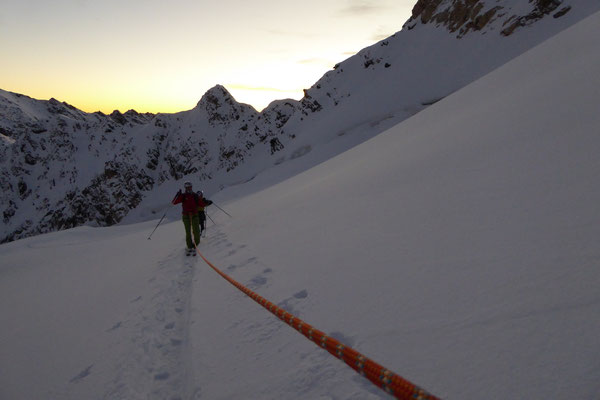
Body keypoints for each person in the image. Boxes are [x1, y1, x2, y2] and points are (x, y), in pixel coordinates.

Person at [172, 181, 201, 254]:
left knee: (196, 231)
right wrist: (178, 195)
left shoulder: (195, 195)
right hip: (186, 216)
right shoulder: (183, 196)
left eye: (189, 187)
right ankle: (189, 246)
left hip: (194, 215)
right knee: (188, 232)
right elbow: (174, 202)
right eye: (187, 187)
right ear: (185, 188)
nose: (188, 188)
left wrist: (206, 202)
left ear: (191, 187)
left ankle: (196, 245)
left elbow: (200, 203)